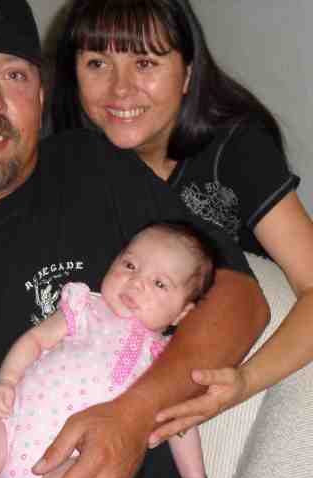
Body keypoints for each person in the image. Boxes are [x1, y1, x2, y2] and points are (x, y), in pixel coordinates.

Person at [0, 1, 268, 478]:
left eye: (15, 76)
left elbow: (241, 297)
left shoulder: (97, 168)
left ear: (40, 98)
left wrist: (134, 415)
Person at [48, 0, 313, 450]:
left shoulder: (237, 149)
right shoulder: (71, 160)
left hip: (254, 359)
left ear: (188, 72)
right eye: (97, 63)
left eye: (145, 62)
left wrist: (243, 382)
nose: (120, 89)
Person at [0, 221, 215, 478]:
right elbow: (35, 340)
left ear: (182, 313)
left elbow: (181, 424)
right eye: (130, 264)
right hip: (10, 431)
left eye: (159, 283)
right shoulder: (84, 307)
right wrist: (7, 381)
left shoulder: (165, 358)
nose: (136, 282)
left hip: (74, 460)